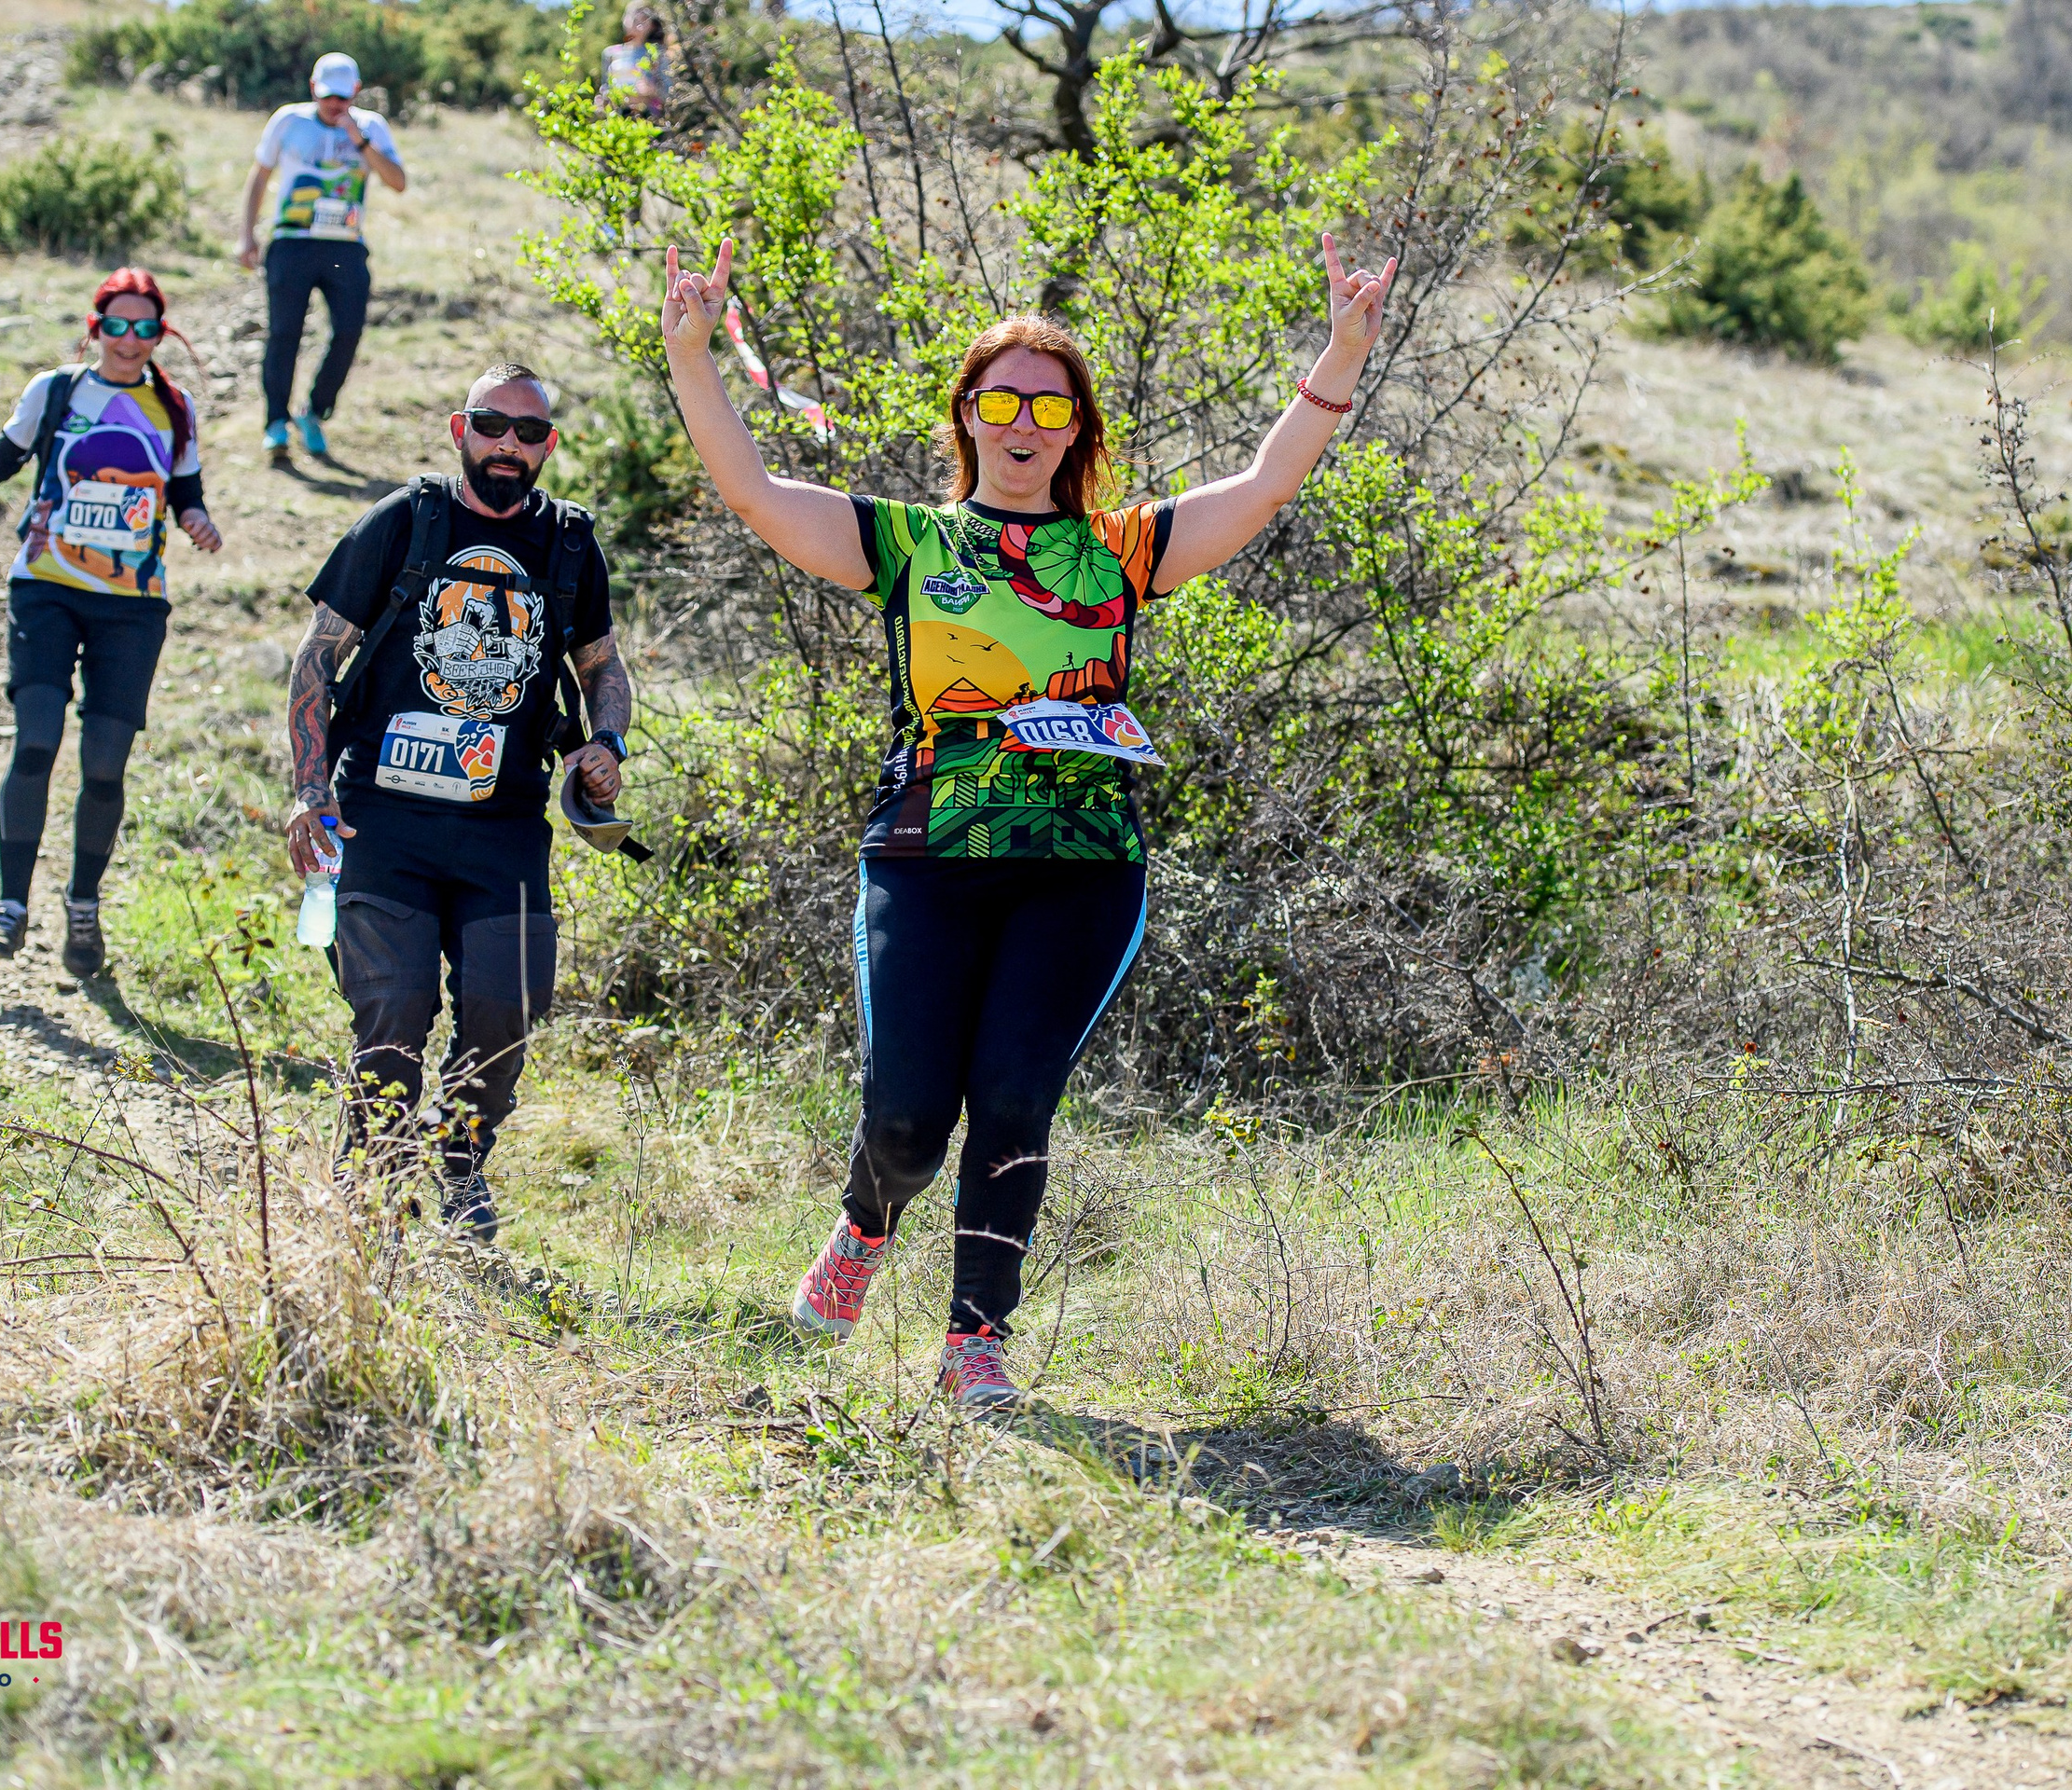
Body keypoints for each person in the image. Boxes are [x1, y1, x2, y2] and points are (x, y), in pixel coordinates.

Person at [659, 233, 1395, 1408]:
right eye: (998, 400)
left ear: (1075, 430)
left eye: (1046, 407)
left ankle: (974, 1346)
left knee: (1011, 1096)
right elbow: (751, 492)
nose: (1021, 422)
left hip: (1081, 870)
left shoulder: (1121, 551)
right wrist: (694, 356)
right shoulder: (908, 543)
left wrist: (1340, 353)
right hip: (926, 857)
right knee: (905, 1117)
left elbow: (1264, 487)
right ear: (965, 418)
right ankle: (862, 1229)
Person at [284, 365, 634, 1241]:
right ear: (459, 430)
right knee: (394, 1008)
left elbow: (600, 664)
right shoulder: (406, 521)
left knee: (508, 1002)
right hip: (382, 818)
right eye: (492, 425)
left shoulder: (566, 544)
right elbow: (316, 658)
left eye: (529, 432)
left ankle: (460, 1158)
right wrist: (306, 788)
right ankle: (370, 1177)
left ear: (548, 445)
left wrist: (607, 743)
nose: (509, 445)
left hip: (504, 827)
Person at [0, 269, 223, 976]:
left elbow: (186, 491)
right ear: (95, 328)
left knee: (105, 764)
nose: (129, 340)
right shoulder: (56, 392)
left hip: (134, 607)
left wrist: (197, 519)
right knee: (36, 742)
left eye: (145, 328)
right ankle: (10, 906)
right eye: (116, 325)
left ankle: (83, 906)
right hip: (46, 590)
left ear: (160, 335)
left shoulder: (173, 407)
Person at [239, 51, 407, 464]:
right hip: (292, 242)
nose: (335, 105)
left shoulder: (370, 127)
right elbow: (259, 176)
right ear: (314, 89)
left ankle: (313, 412)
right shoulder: (288, 120)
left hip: (345, 245)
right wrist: (246, 235)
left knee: (348, 331)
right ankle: (275, 423)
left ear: (355, 92)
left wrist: (359, 140)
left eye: (343, 97)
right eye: (327, 96)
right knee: (284, 334)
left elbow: (398, 183)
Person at [600, 6, 670, 117]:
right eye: (634, 19)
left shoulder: (657, 54)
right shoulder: (610, 53)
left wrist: (652, 90)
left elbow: (670, 94)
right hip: (617, 118)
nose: (638, 26)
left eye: (644, 21)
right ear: (624, 20)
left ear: (652, 26)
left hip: (649, 119)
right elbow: (605, 89)